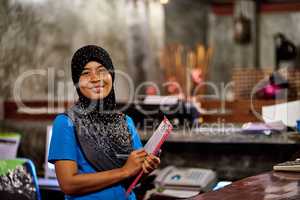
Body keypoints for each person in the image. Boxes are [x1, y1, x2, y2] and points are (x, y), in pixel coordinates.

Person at [48, 45, 160, 200]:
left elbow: (132, 179)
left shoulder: (125, 122)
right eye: (86, 73)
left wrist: (144, 169)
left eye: (101, 70)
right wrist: (124, 171)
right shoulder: (66, 123)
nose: (95, 78)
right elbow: (68, 184)